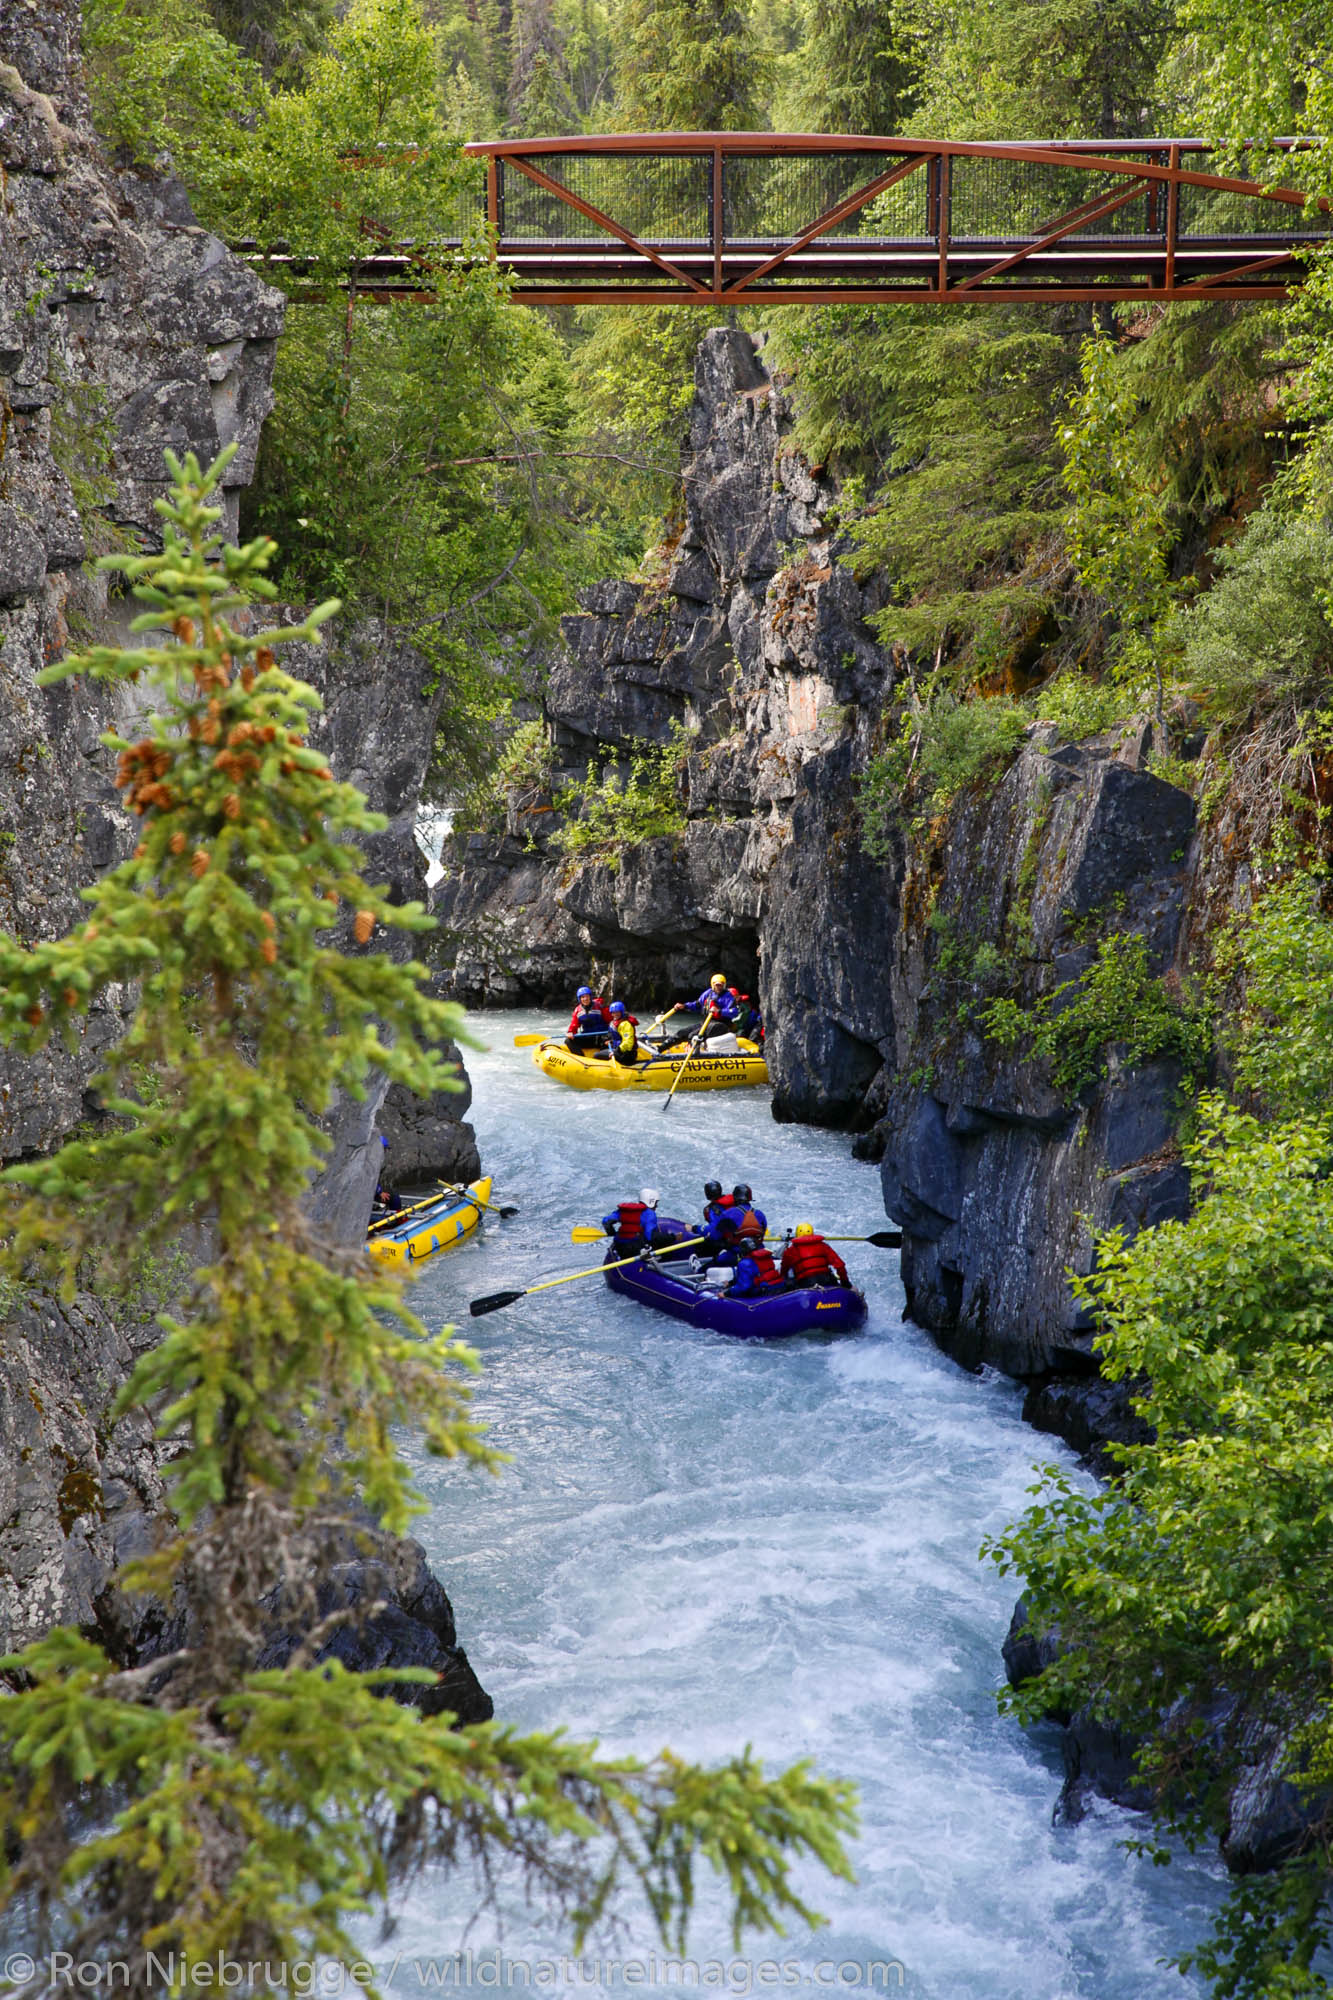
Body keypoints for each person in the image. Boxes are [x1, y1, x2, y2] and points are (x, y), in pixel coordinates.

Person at [780, 1222, 850, 1289]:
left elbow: (784, 1272)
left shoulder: (790, 1251)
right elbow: (840, 1266)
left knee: (789, 1282)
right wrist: (845, 1282)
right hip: (827, 1280)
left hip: (805, 1284)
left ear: (797, 1235)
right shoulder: (823, 1246)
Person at [677, 973, 741, 1042]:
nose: (719, 987)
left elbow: (734, 1012)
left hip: (721, 1025)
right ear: (713, 985)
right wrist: (684, 1006)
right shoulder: (708, 993)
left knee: (692, 1035)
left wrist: (719, 1011)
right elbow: (697, 1004)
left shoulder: (728, 996)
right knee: (681, 1033)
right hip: (707, 1023)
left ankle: (695, 1048)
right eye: (717, 985)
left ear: (724, 985)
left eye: (721, 985)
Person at [567, 985, 612, 1053]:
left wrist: (611, 1035)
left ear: (590, 997)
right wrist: (570, 1032)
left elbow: (611, 1021)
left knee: (609, 1040)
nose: (585, 999)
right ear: (580, 999)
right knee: (568, 1040)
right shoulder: (578, 1010)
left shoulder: (600, 1006)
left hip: (602, 1036)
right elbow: (574, 1025)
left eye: (587, 996)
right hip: (588, 1037)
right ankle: (580, 1058)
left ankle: (604, 1055)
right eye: (582, 997)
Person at [608, 1000, 640, 1067]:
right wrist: (610, 1040)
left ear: (622, 1012)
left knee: (597, 1055)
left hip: (627, 1053)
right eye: (613, 1013)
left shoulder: (625, 1024)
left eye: (617, 1012)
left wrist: (617, 1051)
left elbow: (628, 1042)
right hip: (619, 1049)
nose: (615, 1014)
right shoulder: (613, 1022)